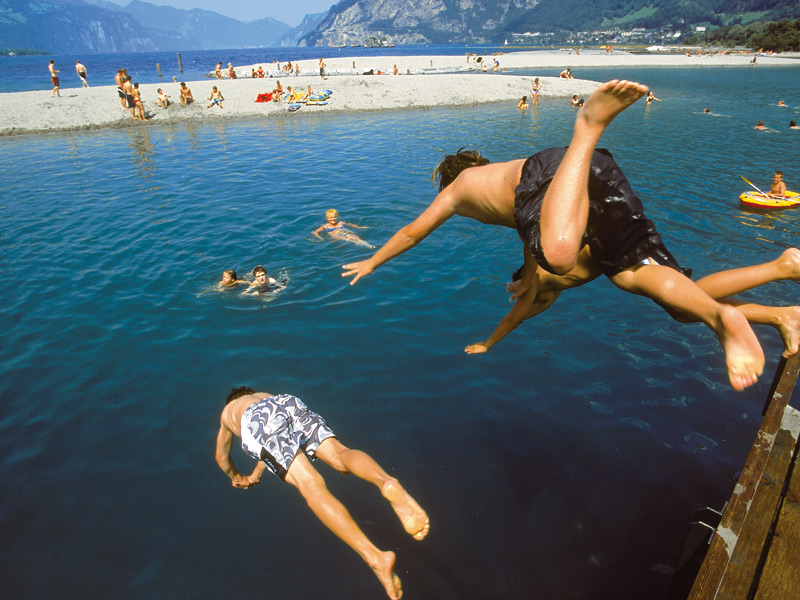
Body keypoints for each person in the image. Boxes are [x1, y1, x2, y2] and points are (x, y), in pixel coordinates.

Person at [342, 79, 766, 391]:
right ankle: (721, 317)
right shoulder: (496, 185)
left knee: (559, 254)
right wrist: (528, 275)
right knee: (638, 277)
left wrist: (372, 260)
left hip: (550, 171)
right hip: (593, 173)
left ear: (447, 177)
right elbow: (528, 237)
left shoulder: (458, 189)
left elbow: (412, 232)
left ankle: (588, 125)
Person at [215, 387, 430, 600]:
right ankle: (386, 483)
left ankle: (374, 557)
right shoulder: (262, 395)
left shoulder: (228, 414)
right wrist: (255, 475)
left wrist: (237, 477)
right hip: (286, 403)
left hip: (257, 424)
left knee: (310, 484)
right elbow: (274, 442)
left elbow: (222, 457)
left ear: (230, 401)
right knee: (340, 455)